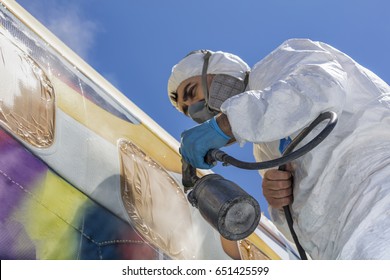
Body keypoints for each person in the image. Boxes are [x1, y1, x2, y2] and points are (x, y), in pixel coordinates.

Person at [167, 39, 390, 260]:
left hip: (378, 189)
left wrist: (227, 124)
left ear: (219, 70)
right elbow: (298, 229)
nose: (196, 109)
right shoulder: (264, 150)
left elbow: (319, 88)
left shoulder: (278, 63)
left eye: (192, 92)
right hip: (343, 244)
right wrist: (278, 202)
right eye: (188, 111)